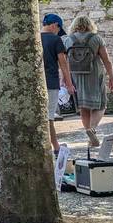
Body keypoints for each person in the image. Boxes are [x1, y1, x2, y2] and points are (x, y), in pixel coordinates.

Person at [65, 15, 113, 147]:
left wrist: (65, 80)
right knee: (101, 105)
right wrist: (111, 77)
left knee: (83, 106)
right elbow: (106, 59)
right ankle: (92, 129)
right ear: (90, 24)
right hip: (94, 75)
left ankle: (89, 133)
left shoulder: (68, 40)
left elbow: (65, 62)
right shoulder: (96, 38)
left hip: (76, 75)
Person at [41, 14, 76, 154]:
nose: (58, 32)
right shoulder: (56, 40)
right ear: (54, 25)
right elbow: (63, 64)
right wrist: (69, 84)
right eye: (58, 28)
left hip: (37, 82)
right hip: (51, 81)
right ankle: (55, 147)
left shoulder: (34, 39)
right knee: (49, 116)